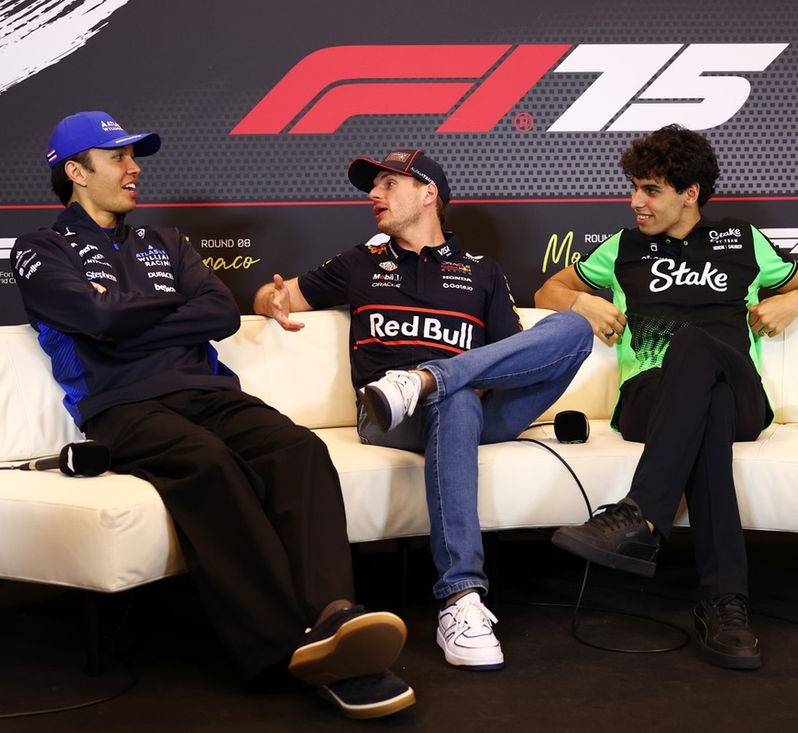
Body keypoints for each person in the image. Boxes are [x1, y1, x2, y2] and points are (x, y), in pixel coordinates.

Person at [11, 111, 414, 719]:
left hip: (209, 392)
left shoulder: (166, 242)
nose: (133, 168)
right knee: (206, 461)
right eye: (118, 157)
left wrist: (123, 316)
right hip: (120, 405)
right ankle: (286, 647)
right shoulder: (39, 248)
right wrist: (159, 308)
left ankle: (335, 613)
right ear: (76, 172)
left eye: (133, 156)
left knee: (298, 449)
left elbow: (220, 313)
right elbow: (94, 320)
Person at [254, 149, 593, 671]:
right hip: (388, 415)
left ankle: (427, 379)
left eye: (389, 184)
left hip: (481, 410)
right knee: (455, 401)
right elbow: (275, 295)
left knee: (572, 329)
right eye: (374, 187)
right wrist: (269, 301)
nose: (374, 195)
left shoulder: (481, 271)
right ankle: (461, 599)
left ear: (428, 193)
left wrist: (446, 377)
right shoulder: (359, 262)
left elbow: (515, 358)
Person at [534, 124, 798, 670]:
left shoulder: (741, 240)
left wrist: (794, 303)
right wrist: (580, 303)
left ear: (690, 193)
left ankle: (640, 515)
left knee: (697, 348)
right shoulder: (623, 247)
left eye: (650, 190)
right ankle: (725, 603)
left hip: (741, 394)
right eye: (634, 188)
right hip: (649, 398)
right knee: (706, 403)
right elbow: (547, 289)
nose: (636, 202)